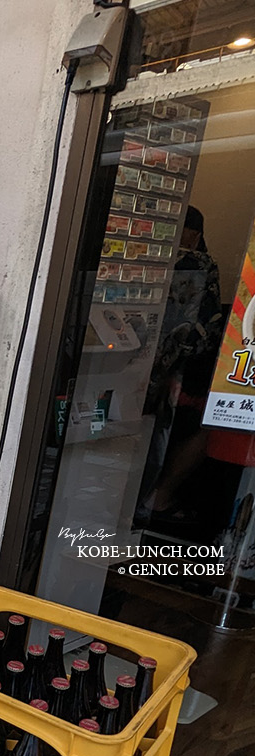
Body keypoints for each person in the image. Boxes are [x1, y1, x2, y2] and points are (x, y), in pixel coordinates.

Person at [136, 205, 225, 531]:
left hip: (131, 358)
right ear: (196, 234)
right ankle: (157, 498)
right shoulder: (200, 264)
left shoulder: (141, 257)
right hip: (176, 371)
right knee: (196, 426)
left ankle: (129, 499)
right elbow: (206, 329)